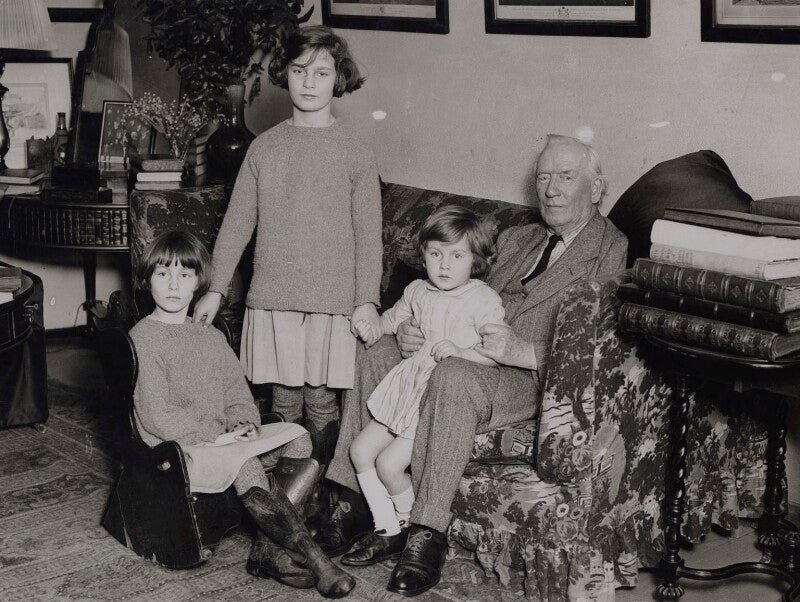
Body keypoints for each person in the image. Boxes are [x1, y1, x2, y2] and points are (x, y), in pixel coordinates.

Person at [316, 134, 629, 596]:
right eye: (543, 177)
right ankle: (355, 501)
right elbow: (450, 291)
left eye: (566, 177)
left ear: (597, 188)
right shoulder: (518, 237)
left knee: (454, 375)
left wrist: (522, 352)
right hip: (463, 354)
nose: (552, 189)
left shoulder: (611, 248)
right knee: (378, 349)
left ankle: (425, 534)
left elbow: (607, 345)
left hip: (531, 378)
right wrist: (410, 332)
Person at [193, 25, 383, 468]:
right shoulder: (264, 148)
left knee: (320, 401)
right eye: (300, 71)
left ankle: (321, 496)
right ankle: (283, 493)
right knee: (282, 401)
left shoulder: (355, 151)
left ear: (339, 79)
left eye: (321, 73)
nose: (310, 83)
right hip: (275, 298)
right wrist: (216, 288)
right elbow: (237, 225)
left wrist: (366, 301)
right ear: (286, 75)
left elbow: (368, 236)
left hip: (331, 302)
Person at [130, 230, 355, 598]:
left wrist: (244, 424)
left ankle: (267, 550)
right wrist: (217, 436)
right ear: (146, 279)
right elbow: (156, 413)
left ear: (199, 282)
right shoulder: (143, 337)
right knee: (247, 463)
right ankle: (317, 561)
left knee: (299, 439)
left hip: (225, 440)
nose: (173, 285)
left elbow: (237, 393)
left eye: (184, 275)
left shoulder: (210, 336)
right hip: (180, 447)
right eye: (162, 274)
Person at [341, 206, 504, 567]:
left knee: (388, 465)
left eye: (456, 256)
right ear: (424, 255)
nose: (444, 265)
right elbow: (388, 322)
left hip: (435, 399)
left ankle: (410, 526)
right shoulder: (417, 290)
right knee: (359, 450)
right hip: (404, 392)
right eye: (435, 254)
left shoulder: (483, 299)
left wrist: (464, 353)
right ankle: (388, 525)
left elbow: (496, 355)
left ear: (475, 259)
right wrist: (370, 327)